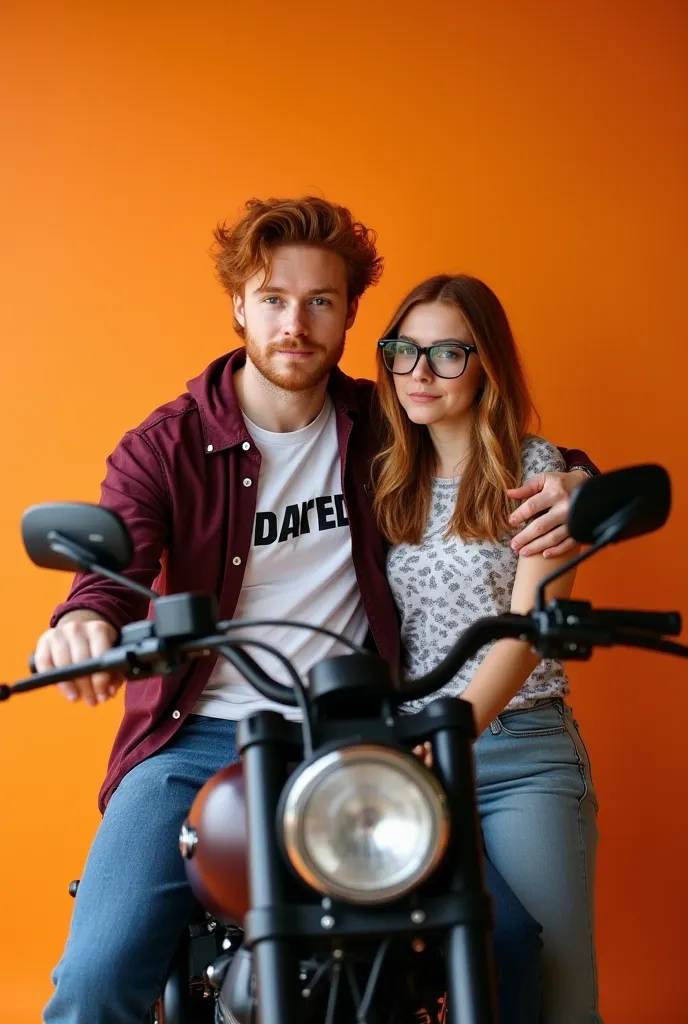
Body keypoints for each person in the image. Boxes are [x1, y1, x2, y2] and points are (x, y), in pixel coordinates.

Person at [35, 197, 597, 1023]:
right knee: (96, 975)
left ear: (349, 315)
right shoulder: (167, 445)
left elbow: (496, 443)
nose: (295, 323)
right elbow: (113, 569)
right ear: (238, 306)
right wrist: (83, 621)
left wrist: (577, 480)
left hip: (358, 738)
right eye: (272, 299)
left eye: (320, 302)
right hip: (196, 741)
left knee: (501, 941)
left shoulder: (383, 421)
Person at [374, 273, 601, 1023]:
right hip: (411, 765)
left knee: (554, 992)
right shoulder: (385, 478)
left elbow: (530, 628)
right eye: (404, 352)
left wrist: (450, 732)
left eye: (447, 354)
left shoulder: (536, 473)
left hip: (518, 753)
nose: (419, 374)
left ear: (488, 365)